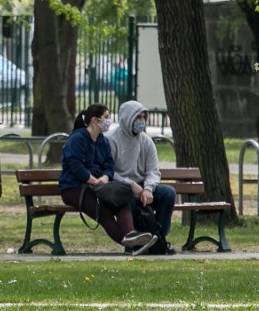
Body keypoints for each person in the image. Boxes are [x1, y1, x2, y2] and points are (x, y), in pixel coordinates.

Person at [58, 103, 157, 255]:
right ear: (94, 121)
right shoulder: (78, 138)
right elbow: (74, 164)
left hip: (96, 186)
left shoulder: (102, 141)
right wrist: (90, 178)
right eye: (106, 117)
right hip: (74, 189)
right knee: (104, 213)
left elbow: (108, 164)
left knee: (119, 201)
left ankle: (131, 235)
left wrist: (105, 177)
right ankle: (133, 246)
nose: (108, 121)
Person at [106, 100, 176, 244]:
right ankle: (134, 240)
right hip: (120, 186)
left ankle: (159, 238)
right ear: (127, 118)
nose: (141, 121)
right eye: (138, 117)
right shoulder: (111, 140)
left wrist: (148, 189)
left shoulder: (146, 141)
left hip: (143, 186)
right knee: (127, 198)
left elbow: (153, 170)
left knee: (168, 193)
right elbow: (109, 172)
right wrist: (131, 185)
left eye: (143, 117)